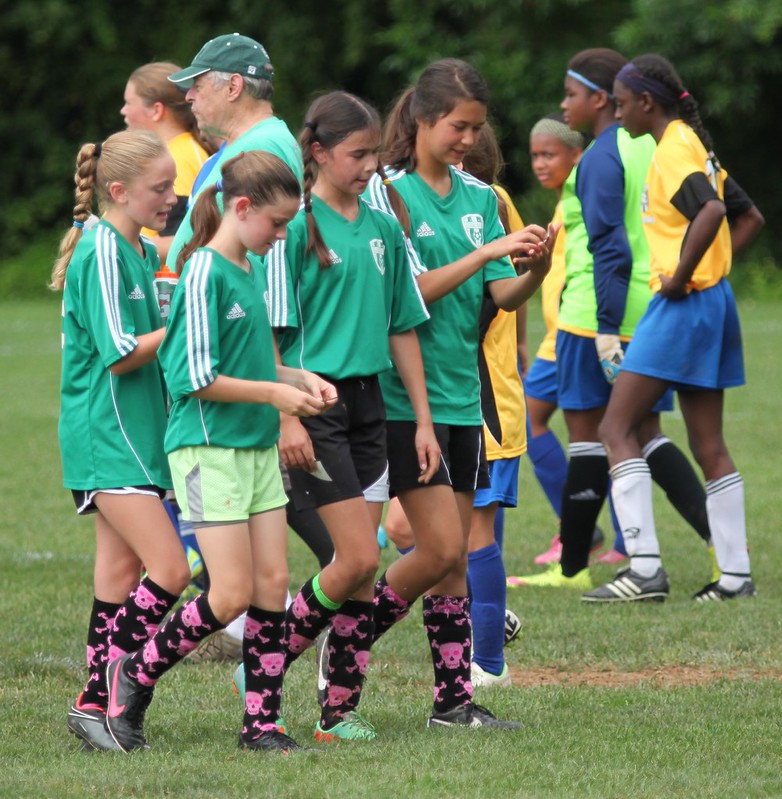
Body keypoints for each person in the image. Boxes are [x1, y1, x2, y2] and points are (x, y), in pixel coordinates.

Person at [102, 149, 337, 754]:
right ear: (240, 208)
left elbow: (254, 363)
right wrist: (274, 390)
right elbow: (192, 377)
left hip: (255, 448)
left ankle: (261, 724)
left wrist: (297, 376)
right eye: (276, 224)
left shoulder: (250, 269)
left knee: (272, 583)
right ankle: (133, 676)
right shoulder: (204, 271)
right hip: (208, 450)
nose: (281, 236)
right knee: (228, 593)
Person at [363, 58, 554, 729]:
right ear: (420, 119)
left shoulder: (479, 198)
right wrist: (482, 255)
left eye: (476, 128)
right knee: (435, 549)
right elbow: (404, 297)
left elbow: (498, 296)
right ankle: (348, 641)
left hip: (461, 395)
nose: (468, 140)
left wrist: (535, 268)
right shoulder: (385, 196)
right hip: (396, 399)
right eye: (457, 126)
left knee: (451, 564)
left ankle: (453, 701)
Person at [258, 91, 437, 742]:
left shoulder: (383, 225)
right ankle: (264, 667)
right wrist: (287, 416)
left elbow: (404, 327)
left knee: (360, 576)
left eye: (371, 153)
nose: (369, 166)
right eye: (356, 155)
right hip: (314, 402)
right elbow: (268, 339)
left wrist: (420, 419)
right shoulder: (293, 227)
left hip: (370, 405)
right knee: (357, 557)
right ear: (319, 153)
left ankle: (338, 713)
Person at [511, 49, 713, 593]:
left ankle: (577, 561)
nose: (563, 103)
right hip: (648, 310)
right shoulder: (647, 143)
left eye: (572, 94)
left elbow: (609, 248)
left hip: (593, 319)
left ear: (601, 99)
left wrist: (602, 325)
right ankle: (720, 542)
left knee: (590, 437)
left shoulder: (599, 157)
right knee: (643, 432)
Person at [587, 54, 764, 602]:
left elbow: (711, 212)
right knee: (707, 442)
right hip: (713, 302)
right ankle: (734, 578)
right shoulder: (691, 142)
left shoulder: (670, 148)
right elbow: (747, 216)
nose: (616, 116)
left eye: (620, 104)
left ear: (646, 102)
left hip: (685, 304)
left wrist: (682, 277)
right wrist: (712, 273)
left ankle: (643, 570)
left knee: (616, 428)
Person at [54, 129, 191, 752]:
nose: (171, 197)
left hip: (133, 434)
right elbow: (119, 355)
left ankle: (92, 705)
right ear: (119, 191)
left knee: (118, 572)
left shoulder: (134, 247)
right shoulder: (104, 250)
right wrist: (188, 313)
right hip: (106, 435)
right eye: (159, 188)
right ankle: (112, 691)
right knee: (169, 568)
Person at [458, 122, 528, 688]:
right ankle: (488, 610)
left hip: (482, 398)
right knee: (417, 529)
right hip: (466, 394)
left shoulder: (484, 206)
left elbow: (489, 299)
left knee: (475, 531)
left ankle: (489, 664)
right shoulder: (489, 204)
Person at [166, 32, 303, 272]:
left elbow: (263, 248)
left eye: (197, 86)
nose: (189, 96)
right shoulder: (243, 145)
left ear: (233, 86)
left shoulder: (265, 146)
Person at [121, 61, 212, 263]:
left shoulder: (180, 158)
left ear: (156, 110)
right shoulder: (171, 153)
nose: (123, 111)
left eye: (128, 103)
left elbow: (181, 239)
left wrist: (112, 243)